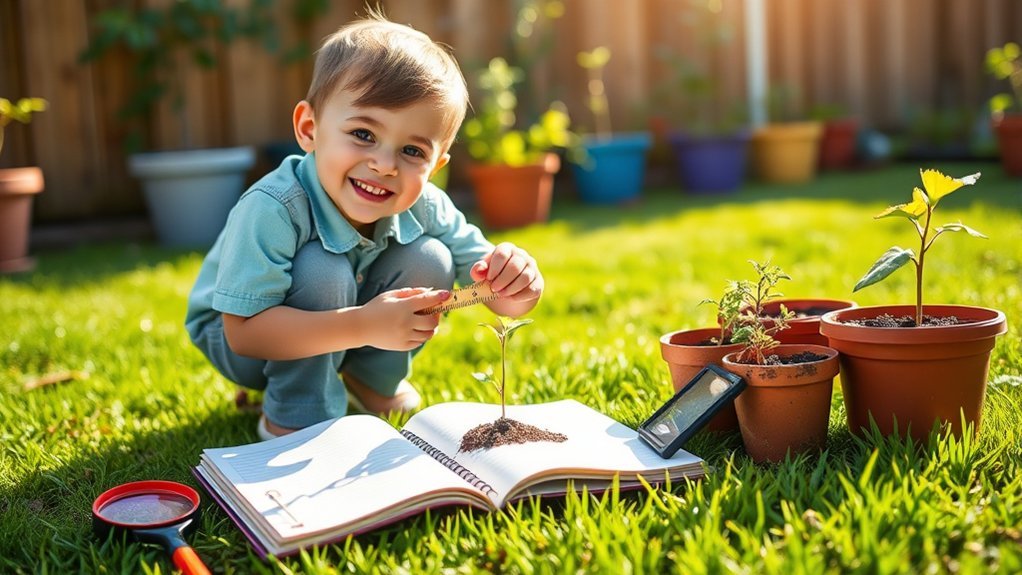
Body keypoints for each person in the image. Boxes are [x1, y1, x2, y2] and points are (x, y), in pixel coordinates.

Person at [184, 12, 544, 440]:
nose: (384, 165)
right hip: (244, 333)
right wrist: (364, 325)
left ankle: (373, 381)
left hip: (348, 317)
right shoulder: (273, 207)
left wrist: (518, 283)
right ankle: (298, 410)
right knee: (322, 268)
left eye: (412, 150)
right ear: (309, 128)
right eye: (363, 134)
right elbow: (243, 334)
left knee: (431, 256)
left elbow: (494, 290)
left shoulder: (425, 204)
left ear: (436, 166)